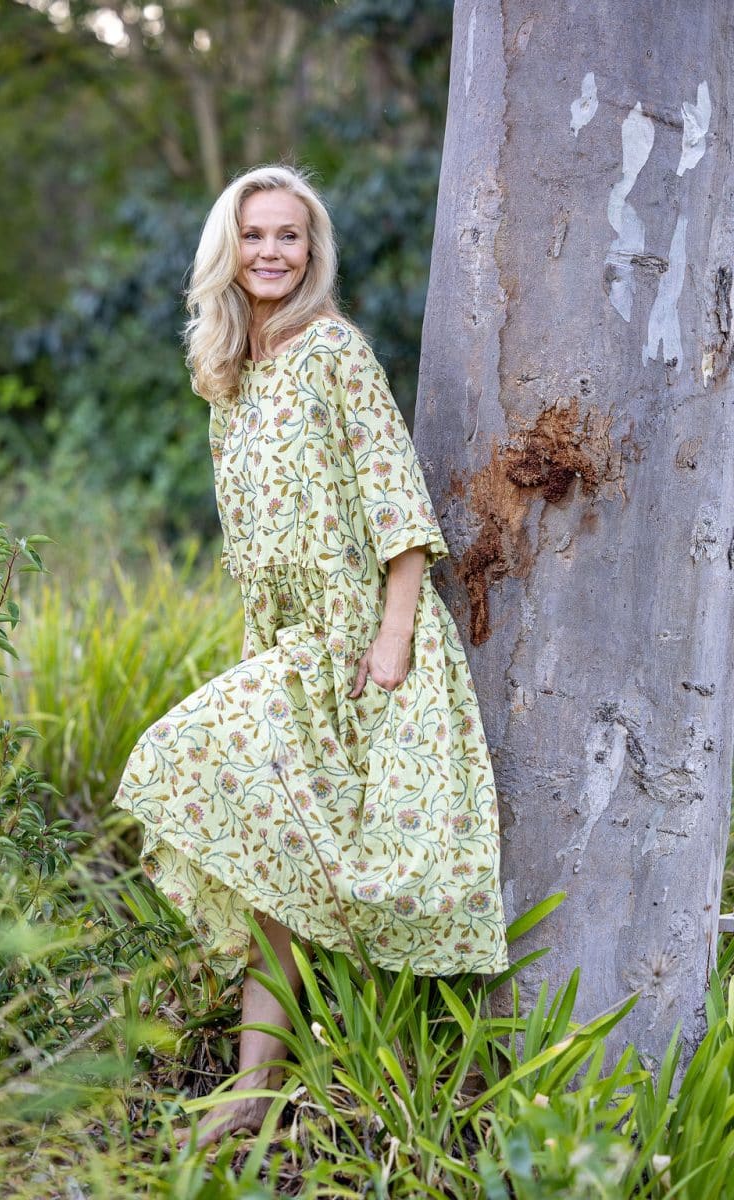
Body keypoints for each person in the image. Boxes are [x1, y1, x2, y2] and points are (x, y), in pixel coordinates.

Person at [112, 163, 508, 1149]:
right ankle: (251, 1096)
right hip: (281, 639)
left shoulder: (332, 351)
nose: (271, 252)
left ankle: (383, 1091)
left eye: (288, 236)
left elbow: (396, 507)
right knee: (276, 880)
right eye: (254, 236)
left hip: (351, 640)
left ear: (312, 251)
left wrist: (388, 640)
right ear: (228, 250)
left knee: (191, 760)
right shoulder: (228, 377)